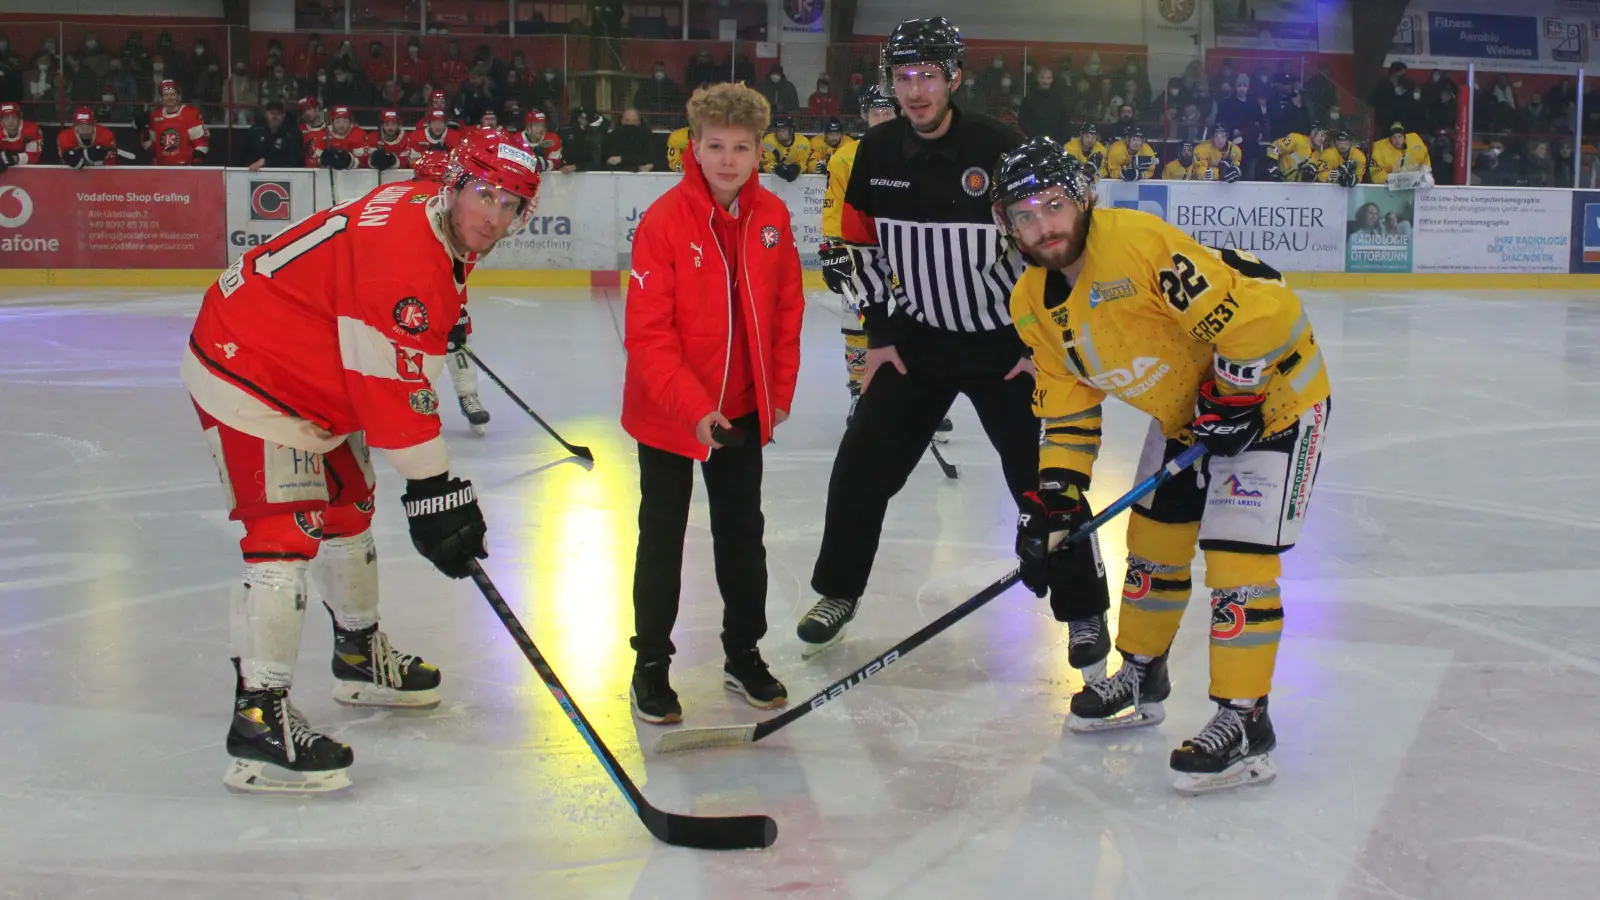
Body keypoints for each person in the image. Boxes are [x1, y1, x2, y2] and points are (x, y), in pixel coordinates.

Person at [181, 130, 542, 794]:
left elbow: (391, 320)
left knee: (348, 507)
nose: (494, 216)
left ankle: (358, 654)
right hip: (253, 370)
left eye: (511, 204)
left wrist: (444, 313)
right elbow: (396, 405)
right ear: (458, 183)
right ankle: (259, 719)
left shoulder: (428, 211)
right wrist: (439, 492)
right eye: (486, 194)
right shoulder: (407, 258)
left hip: (315, 368)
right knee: (284, 537)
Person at [991, 139, 1331, 795]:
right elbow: (1066, 407)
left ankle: (1245, 717)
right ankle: (1143, 673)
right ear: (1006, 226)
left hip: (1277, 400)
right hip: (1188, 414)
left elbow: (1266, 312)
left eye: (1055, 205)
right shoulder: (1030, 302)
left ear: (1085, 198)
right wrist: (1057, 501)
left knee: (1237, 561)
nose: (1044, 227)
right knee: (1152, 547)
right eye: (1025, 215)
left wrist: (1235, 395)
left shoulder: (1138, 245)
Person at [795, 18, 1109, 672]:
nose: (915, 90)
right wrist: (879, 334)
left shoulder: (1000, 147)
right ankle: (838, 592)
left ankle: (1082, 609)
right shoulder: (872, 155)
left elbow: (1049, 250)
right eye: (903, 77)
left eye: (928, 76)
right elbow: (864, 253)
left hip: (1006, 348)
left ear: (954, 78)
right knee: (860, 468)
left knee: (1049, 481)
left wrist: (1040, 345)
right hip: (918, 345)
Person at [621, 83, 805, 724]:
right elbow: (648, 334)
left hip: (745, 410)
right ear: (693, 148)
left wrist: (776, 393)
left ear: (759, 151)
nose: (728, 159)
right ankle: (650, 664)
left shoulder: (774, 219)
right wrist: (693, 406)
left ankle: (743, 652)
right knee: (662, 537)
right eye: (716, 145)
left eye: (742, 147)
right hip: (669, 413)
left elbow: (787, 313)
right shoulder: (664, 222)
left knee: (741, 536)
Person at [820, 86, 897, 424]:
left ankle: (919, 392)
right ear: (865, 115)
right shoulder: (844, 158)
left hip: (906, 251)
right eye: (875, 111)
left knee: (918, 323)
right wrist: (832, 250)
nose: (881, 117)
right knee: (857, 322)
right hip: (859, 251)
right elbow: (834, 207)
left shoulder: (916, 150)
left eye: (887, 111)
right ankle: (859, 392)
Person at [139, 79, 209, 166]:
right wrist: (144, 129)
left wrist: (197, 159)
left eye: (172, 94)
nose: (169, 98)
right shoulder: (155, 116)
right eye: (166, 95)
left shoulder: (191, 114)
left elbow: (201, 141)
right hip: (161, 167)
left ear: (179, 96)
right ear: (161, 98)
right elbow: (150, 146)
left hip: (186, 167)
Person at [241, 100, 303, 171]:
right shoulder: (255, 130)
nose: (274, 116)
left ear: (283, 114)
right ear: (266, 114)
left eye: (278, 113)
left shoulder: (293, 132)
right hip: (255, 174)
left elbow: (293, 159)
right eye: (272, 113)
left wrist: (266, 162)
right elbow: (246, 155)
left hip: (285, 175)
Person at [306, 104, 367, 169]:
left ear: (350, 122)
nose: (341, 125)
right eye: (338, 122)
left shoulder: (359, 134)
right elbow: (311, 163)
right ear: (332, 122)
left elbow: (364, 162)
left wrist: (348, 160)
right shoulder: (322, 135)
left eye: (345, 122)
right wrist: (322, 160)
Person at [760, 114, 810, 181]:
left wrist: (797, 168)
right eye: (778, 129)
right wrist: (776, 168)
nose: (781, 132)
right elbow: (766, 163)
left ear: (791, 130)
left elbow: (804, 162)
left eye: (784, 129)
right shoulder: (768, 141)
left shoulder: (803, 142)